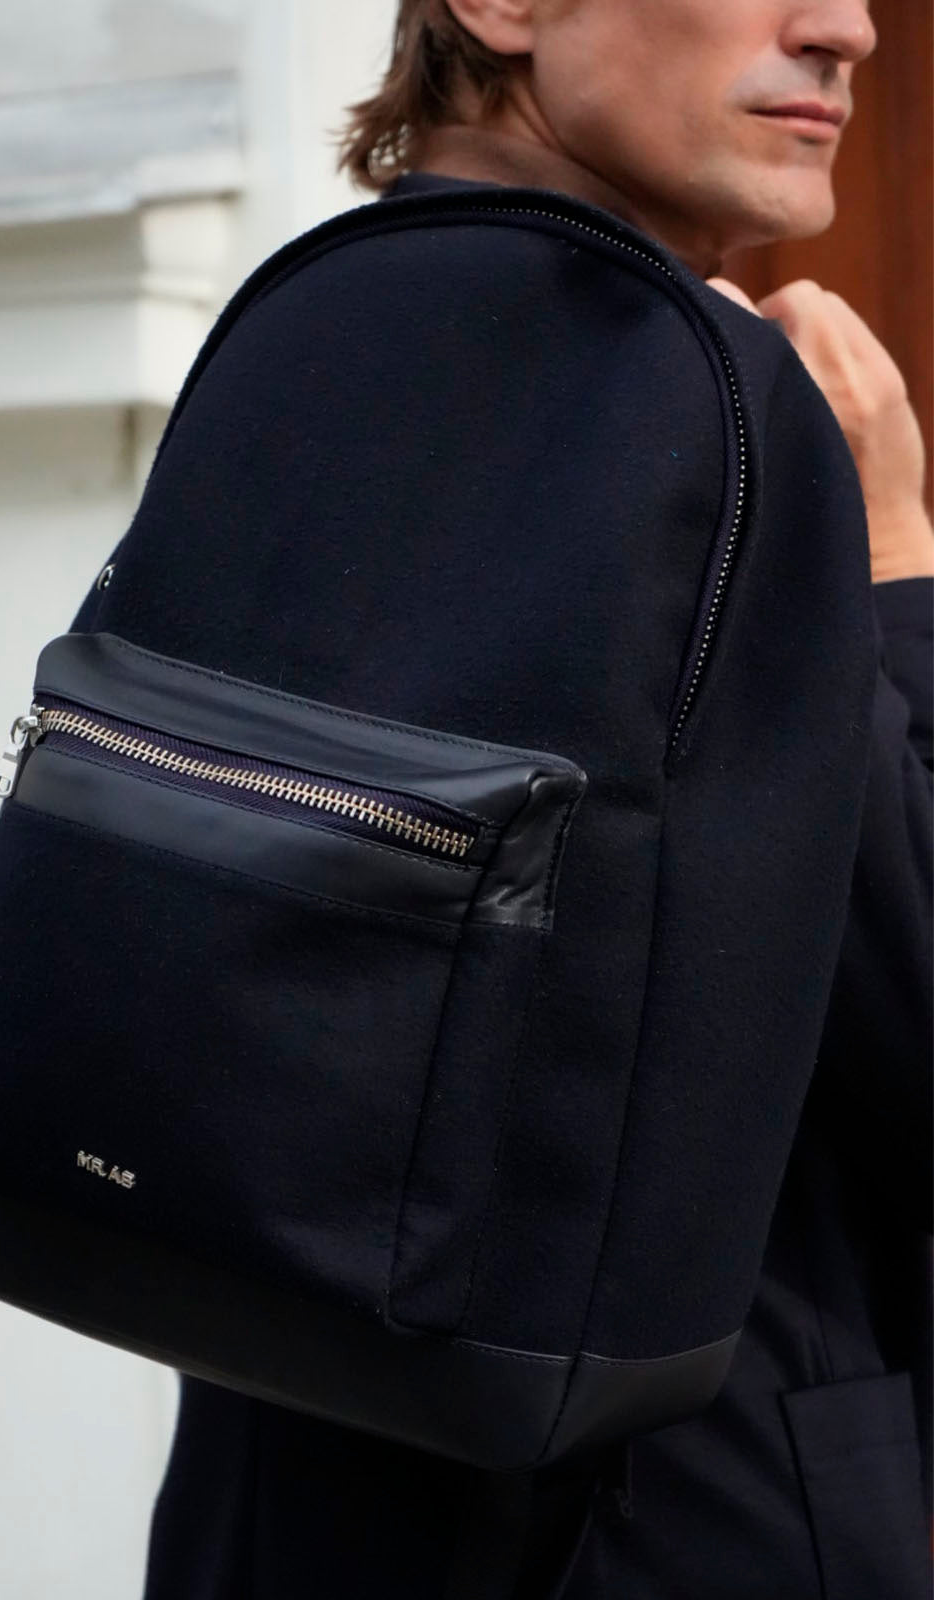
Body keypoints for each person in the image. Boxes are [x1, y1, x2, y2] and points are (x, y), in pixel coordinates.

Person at [142, 3, 932, 1595]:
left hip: (284, 1501)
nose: (846, 27)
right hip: (674, 1514)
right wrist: (897, 561)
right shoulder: (709, 403)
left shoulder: (302, 326)